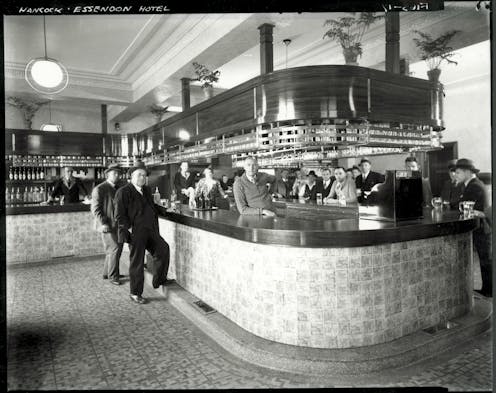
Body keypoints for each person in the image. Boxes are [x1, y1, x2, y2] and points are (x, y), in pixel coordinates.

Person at [115, 161, 170, 304]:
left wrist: (165, 210)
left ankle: (159, 280)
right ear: (131, 177)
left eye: (144, 176)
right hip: (136, 233)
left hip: (150, 230)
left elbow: (151, 207)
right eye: (139, 175)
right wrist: (130, 229)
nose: (142, 178)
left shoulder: (146, 190)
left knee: (163, 249)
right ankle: (135, 293)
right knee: (137, 262)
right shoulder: (123, 192)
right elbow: (119, 216)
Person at [455, 158, 492, 297]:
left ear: (466, 172)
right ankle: (488, 290)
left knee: (485, 260)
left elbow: (462, 204)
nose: (455, 175)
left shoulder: (474, 186)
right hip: (483, 227)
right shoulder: (473, 184)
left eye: (458, 172)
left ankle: (489, 291)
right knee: (485, 259)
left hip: (483, 227)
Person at [91, 164, 124, 286]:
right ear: (108, 175)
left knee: (114, 249)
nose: (117, 175)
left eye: (118, 173)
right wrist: (103, 223)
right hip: (106, 225)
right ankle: (113, 276)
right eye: (114, 173)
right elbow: (95, 209)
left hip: (117, 224)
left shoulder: (118, 188)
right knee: (114, 248)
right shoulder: (100, 189)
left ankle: (107, 272)